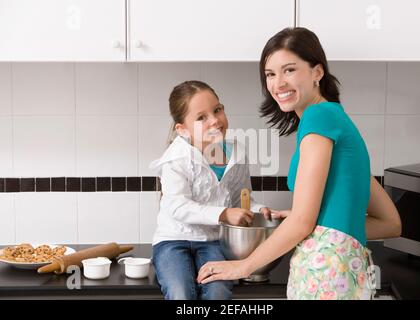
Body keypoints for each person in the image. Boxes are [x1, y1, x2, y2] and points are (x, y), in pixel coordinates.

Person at [197, 28, 402, 300]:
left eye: (289, 70)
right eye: (270, 74)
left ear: (317, 72)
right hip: (346, 274)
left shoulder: (318, 119)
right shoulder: (337, 120)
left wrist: (242, 266)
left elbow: (303, 222)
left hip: (324, 276)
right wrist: (316, 221)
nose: (278, 83)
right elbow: (390, 223)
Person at [149, 80, 271, 300]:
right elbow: (177, 206)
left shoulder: (237, 154)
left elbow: (240, 200)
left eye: (217, 110)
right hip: (173, 241)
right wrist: (223, 214)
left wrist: (258, 210)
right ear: (182, 129)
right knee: (181, 292)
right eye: (201, 117)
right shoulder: (176, 158)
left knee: (218, 289)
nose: (215, 120)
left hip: (214, 241)